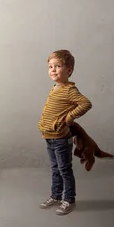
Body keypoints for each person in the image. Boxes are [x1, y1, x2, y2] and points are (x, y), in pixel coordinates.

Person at [37, 49, 92, 215]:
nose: (53, 70)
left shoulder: (70, 90)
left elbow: (86, 104)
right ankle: (56, 196)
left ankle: (69, 200)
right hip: (49, 137)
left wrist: (69, 118)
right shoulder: (55, 88)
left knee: (64, 170)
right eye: (50, 66)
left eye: (58, 66)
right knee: (55, 169)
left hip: (60, 138)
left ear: (69, 70)